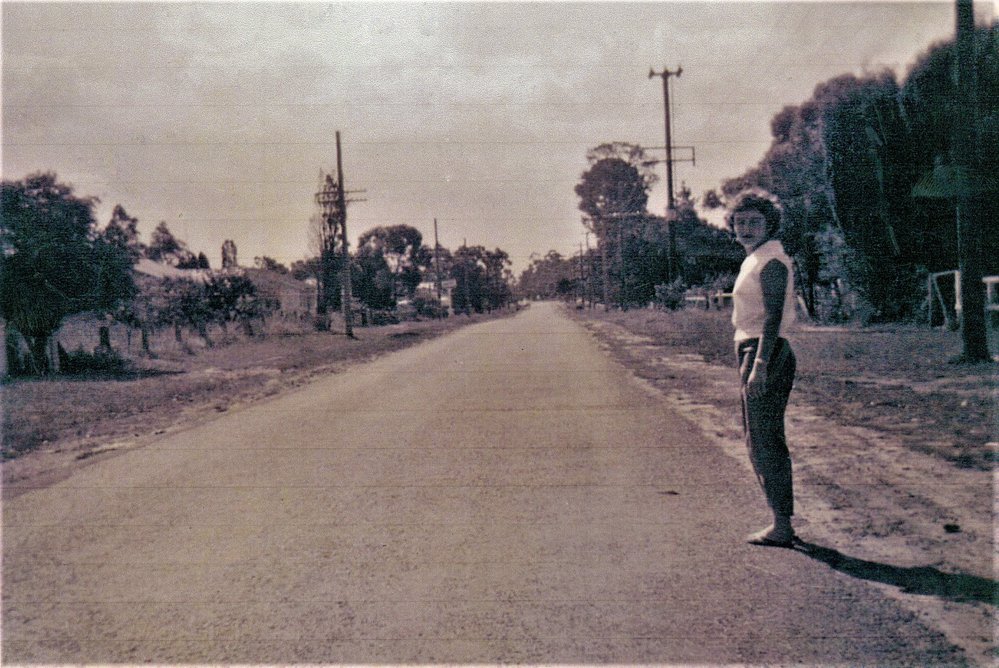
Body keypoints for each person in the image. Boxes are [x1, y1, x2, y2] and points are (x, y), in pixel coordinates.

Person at [728, 189, 798, 548]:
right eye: (741, 222)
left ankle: (782, 525)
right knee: (758, 439)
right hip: (753, 349)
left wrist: (760, 365)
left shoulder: (771, 260)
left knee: (765, 440)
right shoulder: (754, 259)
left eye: (755, 222)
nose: (747, 228)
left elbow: (772, 318)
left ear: (770, 224)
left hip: (765, 351)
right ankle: (779, 520)